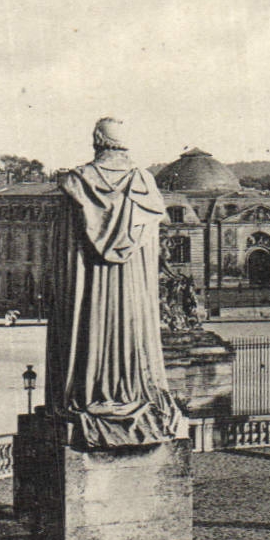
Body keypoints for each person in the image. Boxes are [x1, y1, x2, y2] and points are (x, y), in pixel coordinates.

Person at [44, 118, 185, 448]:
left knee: (84, 332)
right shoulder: (145, 185)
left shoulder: (75, 183)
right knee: (131, 329)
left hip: (89, 292)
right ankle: (130, 389)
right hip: (132, 293)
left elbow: (66, 255)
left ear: (96, 139)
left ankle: (88, 389)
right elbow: (149, 250)